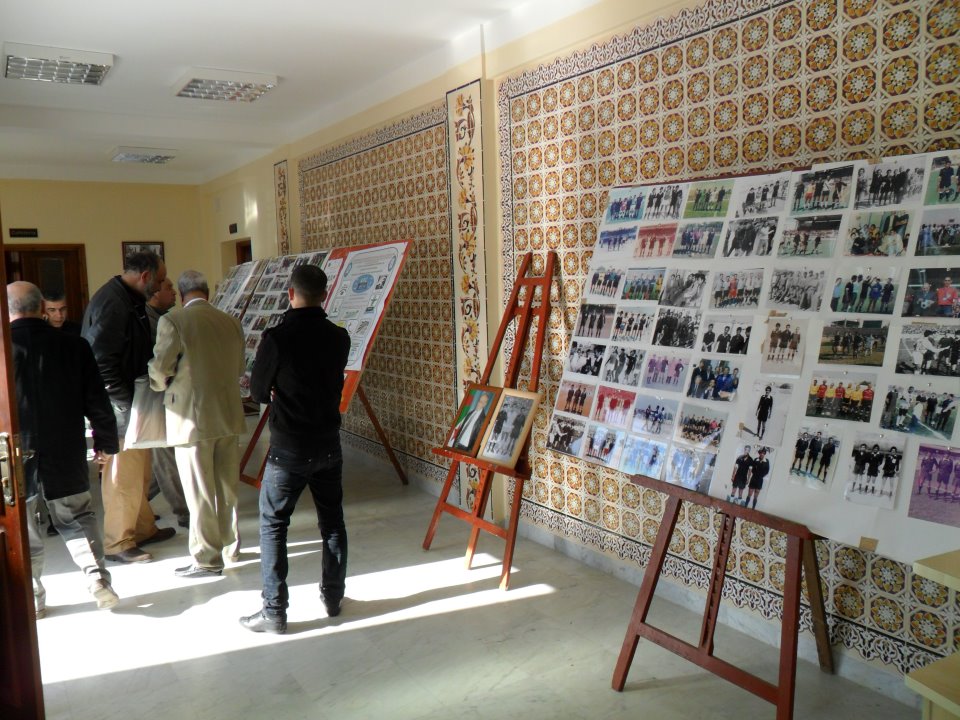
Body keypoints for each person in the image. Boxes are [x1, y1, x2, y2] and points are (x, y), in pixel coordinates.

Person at [241, 265, 351, 634]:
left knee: (273, 525)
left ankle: (274, 611)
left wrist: (275, 389)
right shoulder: (340, 337)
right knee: (332, 521)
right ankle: (333, 597)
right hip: (329, 444)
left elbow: (257, 393)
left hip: (288, 447)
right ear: (325, 294)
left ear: (290, 293)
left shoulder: (277, 338)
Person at [9, 281, 120, 615]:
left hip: (14, 452)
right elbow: (97, 399)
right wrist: (106, 441)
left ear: (8, 309)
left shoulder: (2, 348)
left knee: (24, 524)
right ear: (42, 307)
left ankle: (32, 595)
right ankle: (98, 579)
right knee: (77, 516)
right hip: (66, 446)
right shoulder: (74, 345)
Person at [148, 271, 246, 578]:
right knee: (227, 487)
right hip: (229, 413)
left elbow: (162, 366)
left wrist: (158, 382)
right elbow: (240, 367)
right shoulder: (231, 321)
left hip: (192, 418)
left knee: (199, 490)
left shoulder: (174, 321)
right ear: (207, 291)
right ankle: (230, 546)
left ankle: (206, 557)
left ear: (181, 293)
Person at [82, 250, 175, 563]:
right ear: (145, 277)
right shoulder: (114, 303)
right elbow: (100, 359)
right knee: (121, 473)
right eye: (160, 280)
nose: (162, 285)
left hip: (131, 401)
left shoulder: (127, 299)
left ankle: (142, 527)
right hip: (119, 405)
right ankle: (118, 542)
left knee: (139, 469)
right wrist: (123, 404)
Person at [145, 276, 190, 530]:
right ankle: (183, 511)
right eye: (168, 288)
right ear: (154, 293)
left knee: (162, 455)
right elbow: (161, 363)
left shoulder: (161, 317)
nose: (174, 293)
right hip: (158, 394)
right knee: (164, 454)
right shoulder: (157, 320)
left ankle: (141, 499)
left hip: (163, 395)